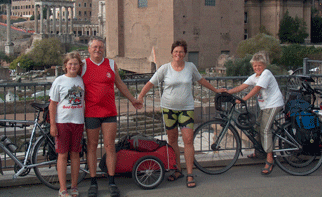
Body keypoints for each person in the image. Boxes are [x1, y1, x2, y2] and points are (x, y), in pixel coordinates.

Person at [138, 40, 226, 188]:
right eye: (175, 51)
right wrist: (140, 96)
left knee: (188, 140)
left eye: (181, 52)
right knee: (172, 141)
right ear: (172, 53)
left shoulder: (190, 67)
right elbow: (150, 83)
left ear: (184, 53)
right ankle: (177, 169)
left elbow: (201, 80)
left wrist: (216, 90)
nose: (178, 54)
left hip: (186, 109)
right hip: (168, 109)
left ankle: (190, 173)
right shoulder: (165, 69)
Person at [81, 36, 142, 197]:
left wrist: (133, 100)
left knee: (110, 147)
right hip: (91, 113)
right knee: (92, 147)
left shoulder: (111, 64)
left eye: (100, 47)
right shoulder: (83, 65)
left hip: (109, 112)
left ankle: (112, 181)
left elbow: (120, 84)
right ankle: (93, 181)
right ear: (89, 49)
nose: (98, 49)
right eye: (95, 47)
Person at [227, 51, 284, 175]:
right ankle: (259, 152)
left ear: (264, 65)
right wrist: (228, 92)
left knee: (265, 130)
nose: (257, 68)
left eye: (259, 65)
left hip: (274, 104)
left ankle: (270, 159)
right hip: (265, 106)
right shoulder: (255, 76)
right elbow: (243, 86)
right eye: (255, 66)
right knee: (257, 127)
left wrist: (243, 99)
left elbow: (256, 88)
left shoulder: (266, 74)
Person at [49, 52, 85, 197]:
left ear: (79, 66)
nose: (73, 66)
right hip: (62, 122)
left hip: (78, 121)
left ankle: (74, 186)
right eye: (70, 63)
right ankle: (63, 188)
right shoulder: (59, 81)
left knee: (75, 155)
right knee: (62, 155)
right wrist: (53, 124)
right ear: (65, 65)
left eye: (75, 64)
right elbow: (52, 104)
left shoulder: (81, 81)